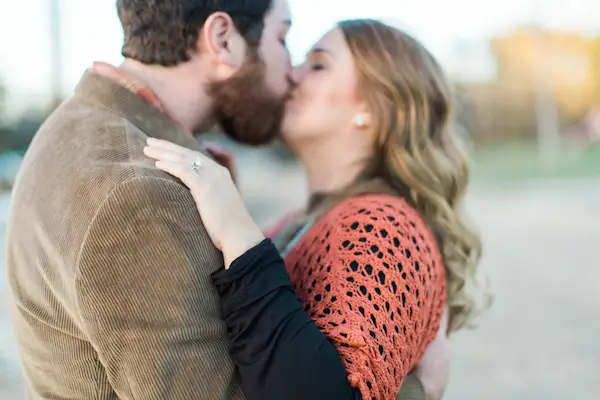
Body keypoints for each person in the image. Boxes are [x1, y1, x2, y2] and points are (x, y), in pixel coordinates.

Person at [5, 1, 443, 399]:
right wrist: (414, 391)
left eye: (317, 63)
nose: (290, 69)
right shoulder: (137, 194)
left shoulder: (78, 132)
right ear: (223, 40)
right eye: (283, 38)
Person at [144, 19, 485, 400]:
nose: (291, 74)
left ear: (375, 107)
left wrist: (238, 233)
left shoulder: (386, 227)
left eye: (318, 65)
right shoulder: (301, 222)